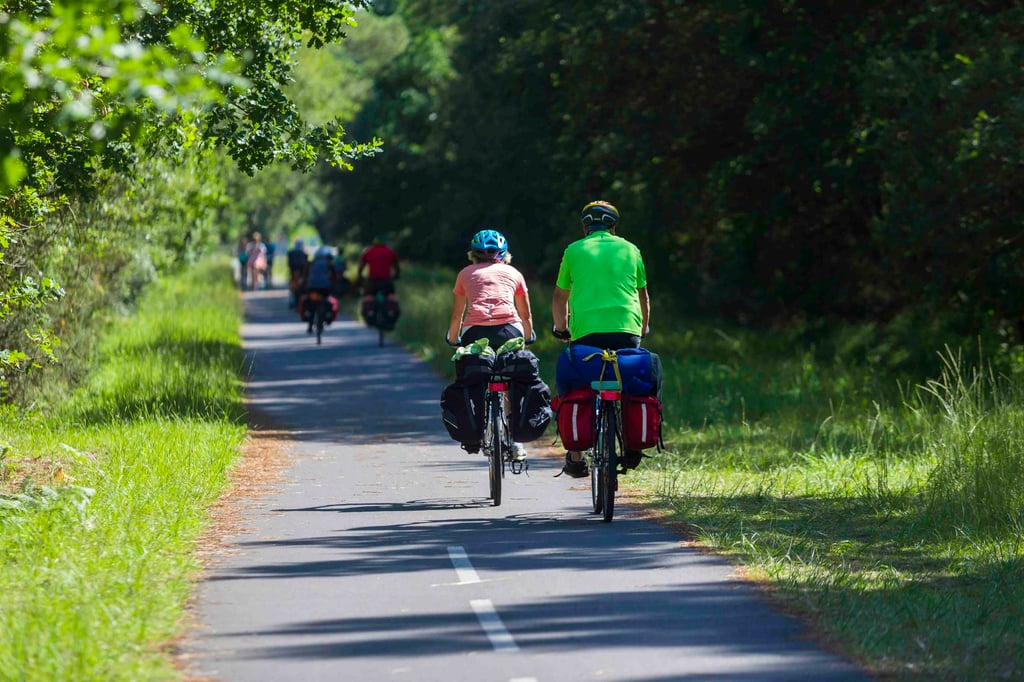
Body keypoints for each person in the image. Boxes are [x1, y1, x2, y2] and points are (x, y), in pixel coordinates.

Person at [551, 200, 650, 478]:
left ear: (585, 228)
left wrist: (561, 328)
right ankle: (633, 447)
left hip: (586, 335)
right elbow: (642, 294)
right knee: (635, 380)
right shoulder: (631, 249)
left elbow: (561, 296)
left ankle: (575, 457)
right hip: (627, 330)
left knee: (575, 382)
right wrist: (643, 328)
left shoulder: (573, 250)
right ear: (614, 226)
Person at [446, 229, 535, 461]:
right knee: (512, 377)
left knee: (472, 375)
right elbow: (525, 314)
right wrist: (528, 335)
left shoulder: (465, 273)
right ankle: (516, 442)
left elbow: (458, 315)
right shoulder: (514, 273)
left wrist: (453, 339)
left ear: (473, 255)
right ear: (504, 254)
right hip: (509, 330)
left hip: (475, 331)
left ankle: (474, 430)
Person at [300, 246, 337, 333]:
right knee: (326, 299)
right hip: (325, 288)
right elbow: (334, 276)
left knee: (312, 303)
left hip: (312, 287)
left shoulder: (310, 263)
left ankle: (310, 324)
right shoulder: (328, 263)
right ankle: (326, 315)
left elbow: (305, 276)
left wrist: (304, 283)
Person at [286, 239, 309, 308]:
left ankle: (293, 301)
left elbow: (288, 263)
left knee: (293, 287)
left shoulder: (291, 253)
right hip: (301, 274)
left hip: (293, 273)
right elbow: (306, 264)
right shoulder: (304, 253)